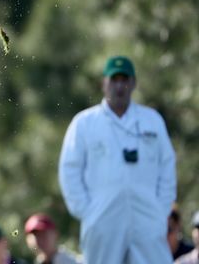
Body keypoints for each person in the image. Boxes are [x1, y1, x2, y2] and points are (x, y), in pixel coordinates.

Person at [58, 55, 177, 264]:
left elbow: (167, 165)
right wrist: (87, 210)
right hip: (102, 220)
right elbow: (70, 170)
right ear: (104, 83)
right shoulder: (85, 123)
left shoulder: (151, 120)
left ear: (133, 83)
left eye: (125, 80)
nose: (119, 86)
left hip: (147, 218)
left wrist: (161, 208)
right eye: (114, 80)